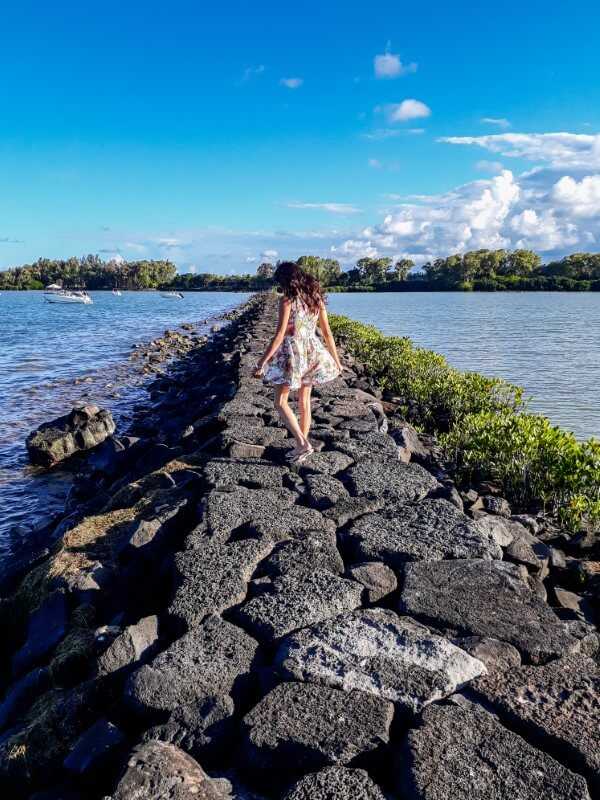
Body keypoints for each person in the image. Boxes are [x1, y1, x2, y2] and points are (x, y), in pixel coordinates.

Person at [253, 261, 343, 462]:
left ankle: (303, 444)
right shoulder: (316, 299)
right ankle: (300, 447)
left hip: (293, 354)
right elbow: (328, 334)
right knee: (304, 402)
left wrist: (262, 362)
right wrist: (337, 361)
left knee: (280, 402)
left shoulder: (287, 301)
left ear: (286, 281)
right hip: (312, 352)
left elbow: (279, 336)